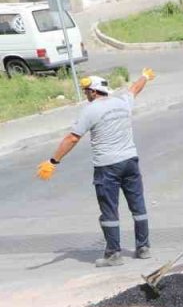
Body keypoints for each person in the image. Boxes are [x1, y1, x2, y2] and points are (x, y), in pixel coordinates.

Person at [37, 69, 155, 267]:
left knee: (109, 210)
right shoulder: (122, 102)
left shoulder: (90, 110)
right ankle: (143, 248)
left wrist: (53, 161)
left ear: (93, 91)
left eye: (86, 92)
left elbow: (73, 137)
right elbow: (135, 88)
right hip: (130, 161)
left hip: (107, 167)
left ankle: (113, 254)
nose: (86, 95)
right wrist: (145, 76)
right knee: (138, 207)